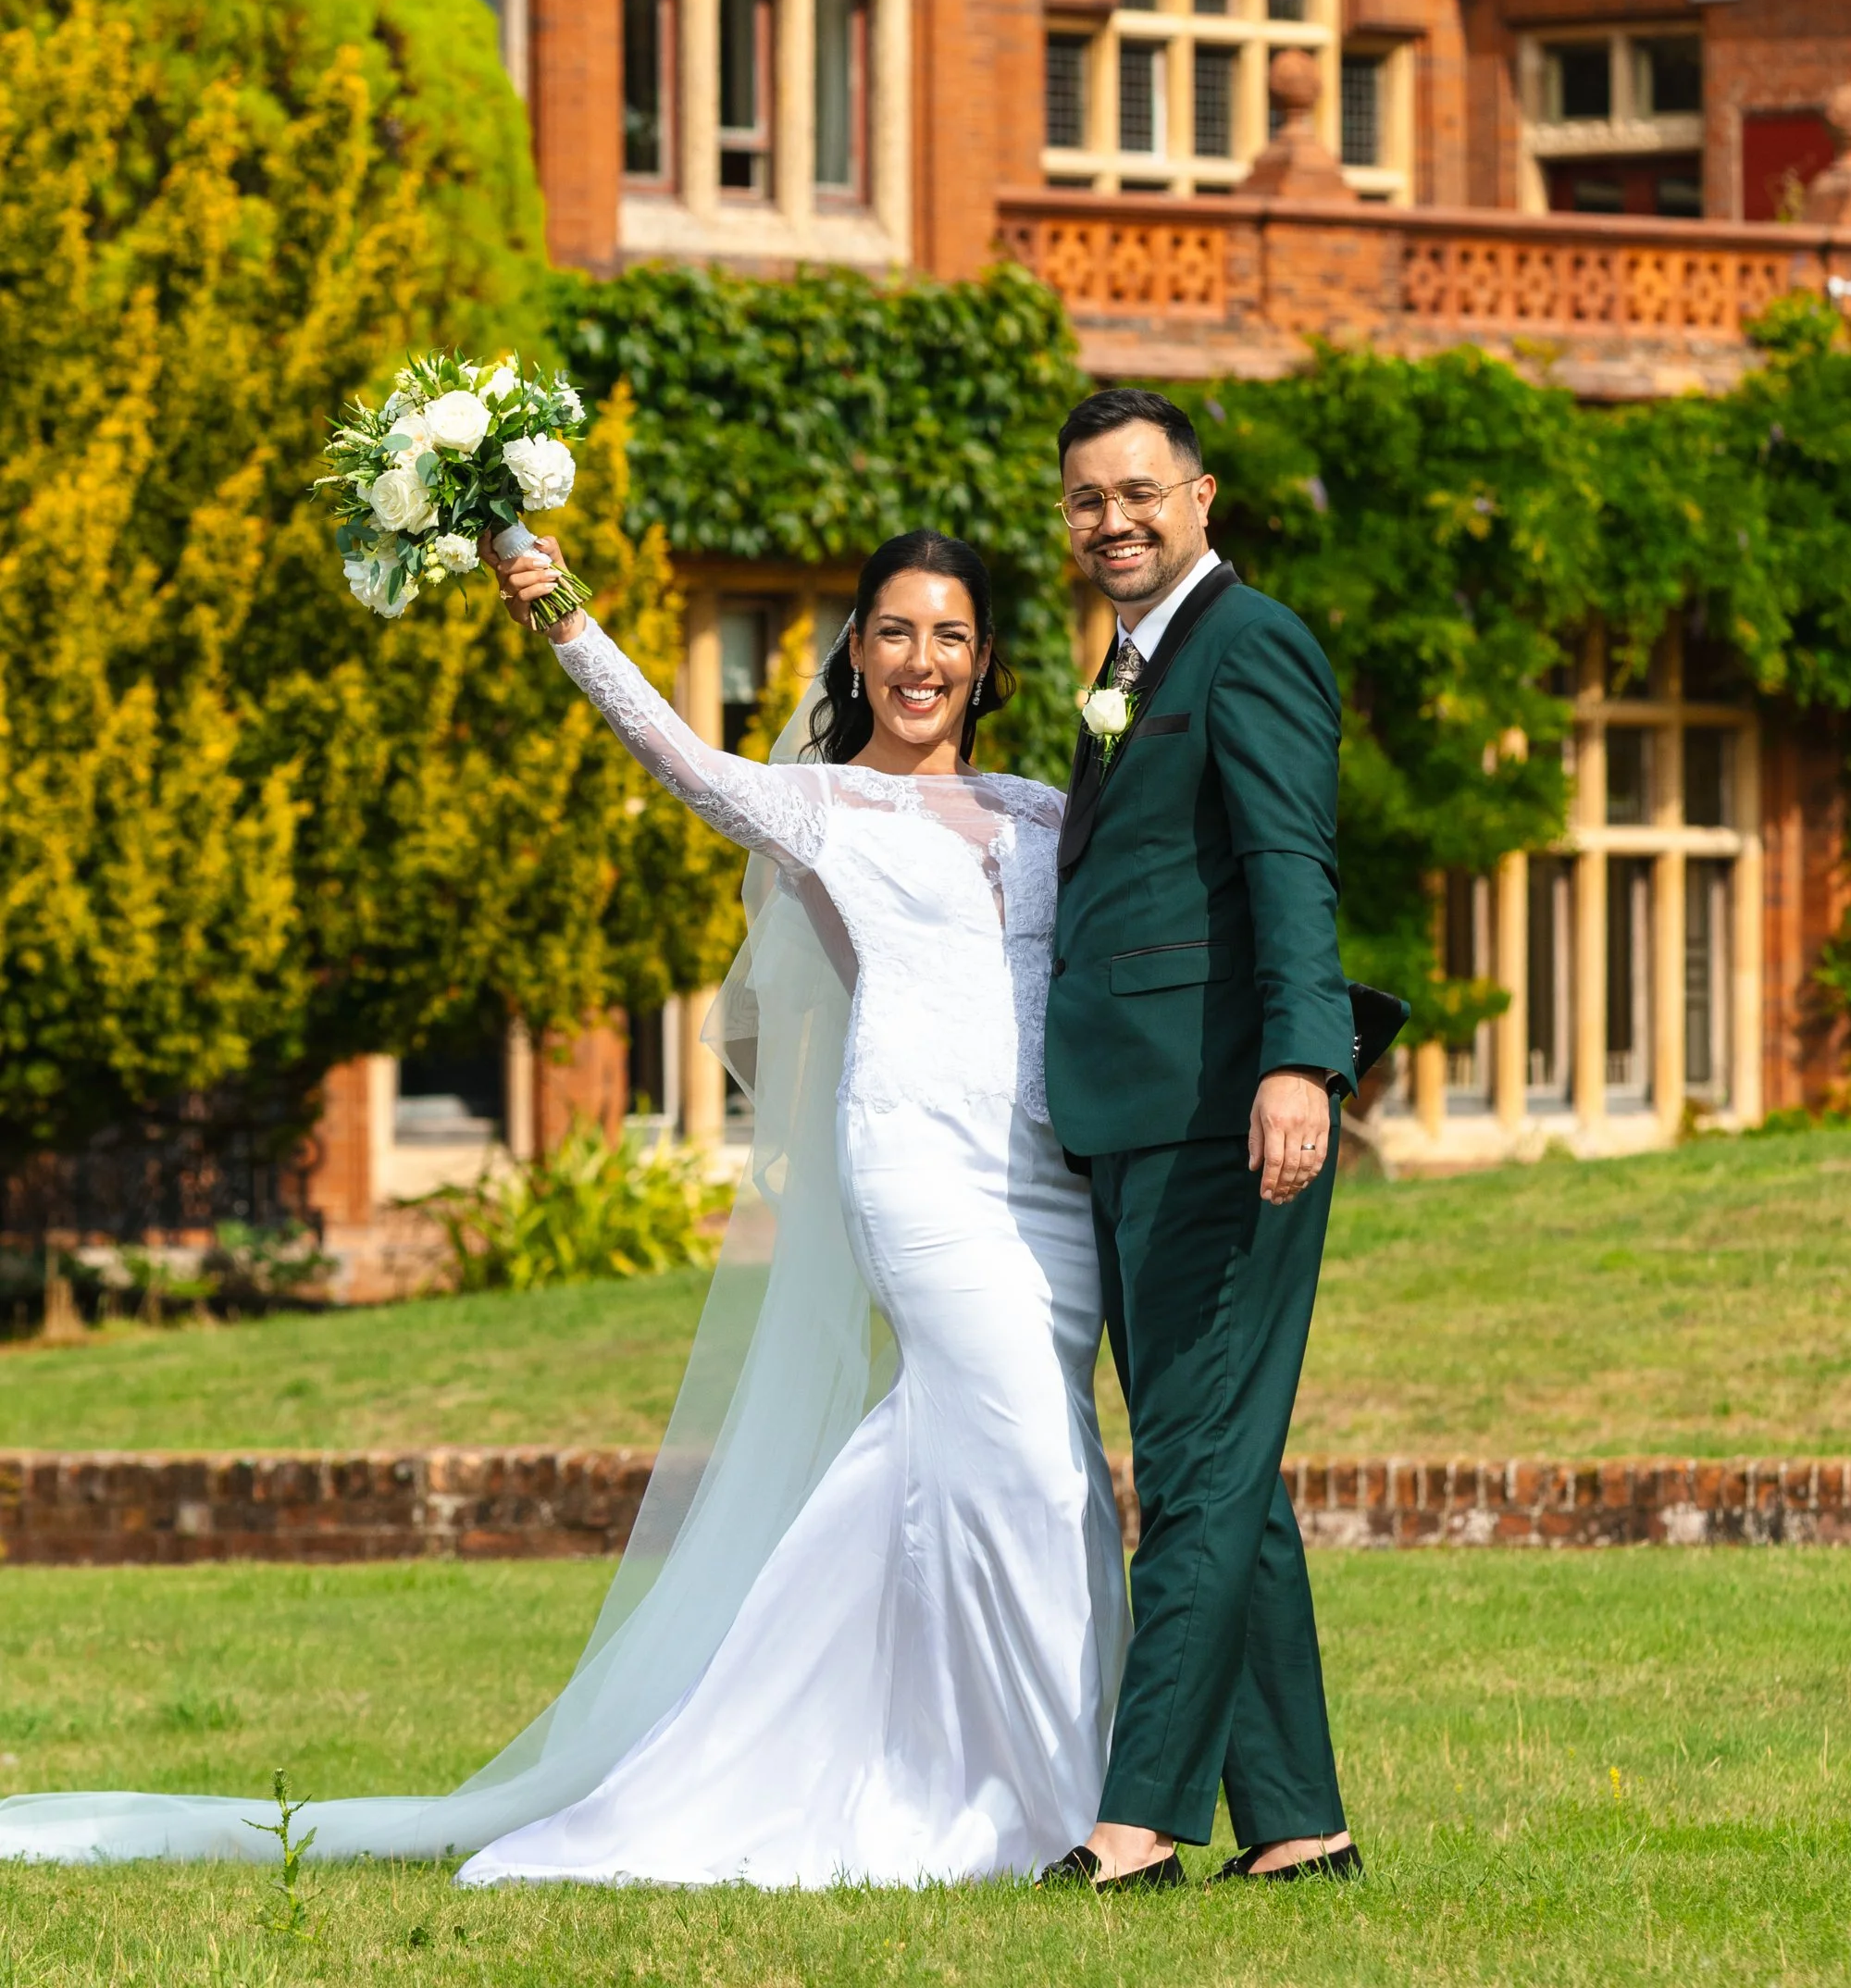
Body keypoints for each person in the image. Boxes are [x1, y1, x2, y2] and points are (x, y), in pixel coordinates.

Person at [0, 528, 1127, 1884]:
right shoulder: (818, 805)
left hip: (1051, 1186)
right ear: (856, 651)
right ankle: (1049, 1808)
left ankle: (933, 1766)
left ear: (991, 659)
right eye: (893, 633)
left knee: (1028, 1464)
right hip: (921, 1174)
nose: (921, 662)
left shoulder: (1049, 809)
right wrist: (561, 613)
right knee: (1021, 1450)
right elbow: (678, 756)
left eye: (949, 636)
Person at [1038, 387, 1362, 1895]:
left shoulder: (1251, 643)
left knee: (1197, 1469)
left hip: (1228, 1120)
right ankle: (1298, 1825)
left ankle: (1140, 1818)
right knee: (1222, 1465)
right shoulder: (1128, 663)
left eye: (1140, 493)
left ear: (1202, 497)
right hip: (1137, 1123)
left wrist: (1303, 1060)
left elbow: (1293, 864)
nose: (1115, 520)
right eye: (1089, 500)